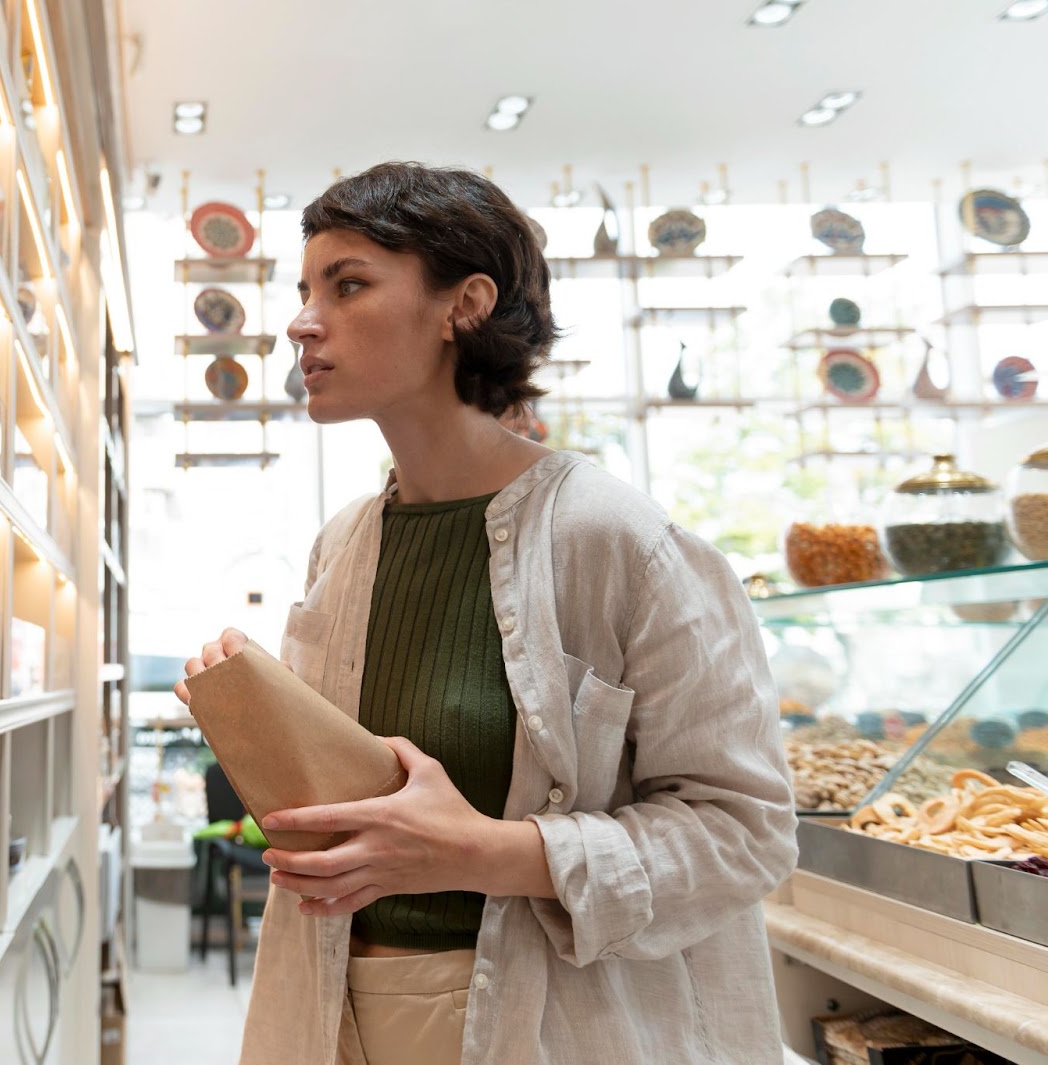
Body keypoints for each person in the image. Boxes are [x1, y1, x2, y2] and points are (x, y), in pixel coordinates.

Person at [174, 162, 797, 1065]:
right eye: (304, 290)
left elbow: (745, 833)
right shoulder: (343, 545)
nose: (302, 322)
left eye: (348, 285)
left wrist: (487, 852)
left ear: (464, 303)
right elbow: (361, 813)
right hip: (333, 1014)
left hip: (549, 1026)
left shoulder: (618, 538)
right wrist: (256, 730)